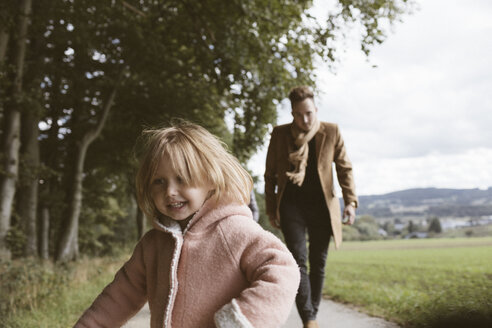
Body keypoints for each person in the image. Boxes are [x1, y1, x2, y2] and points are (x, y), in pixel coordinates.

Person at [75, 121, 300, 328]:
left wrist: (240, 320)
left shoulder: (234, 231)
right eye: (158, 182)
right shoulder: (153, 245)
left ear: (210, 178)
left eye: (182, 178)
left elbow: (284, 270)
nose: (170, 191)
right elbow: (119, 296)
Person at [264, 86, 358, 328]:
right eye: (297, 114)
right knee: (298, 260)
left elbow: (344, 169)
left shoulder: (331, 131)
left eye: (308, 113)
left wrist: (350, 202)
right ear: (292, 114)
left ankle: (311, 315)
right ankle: (309, 319)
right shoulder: (279, 135)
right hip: (291, 206)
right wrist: (271, 207)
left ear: (315, 109)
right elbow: (270, 176)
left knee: (318, 262)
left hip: (322, 207)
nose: (304, 120)